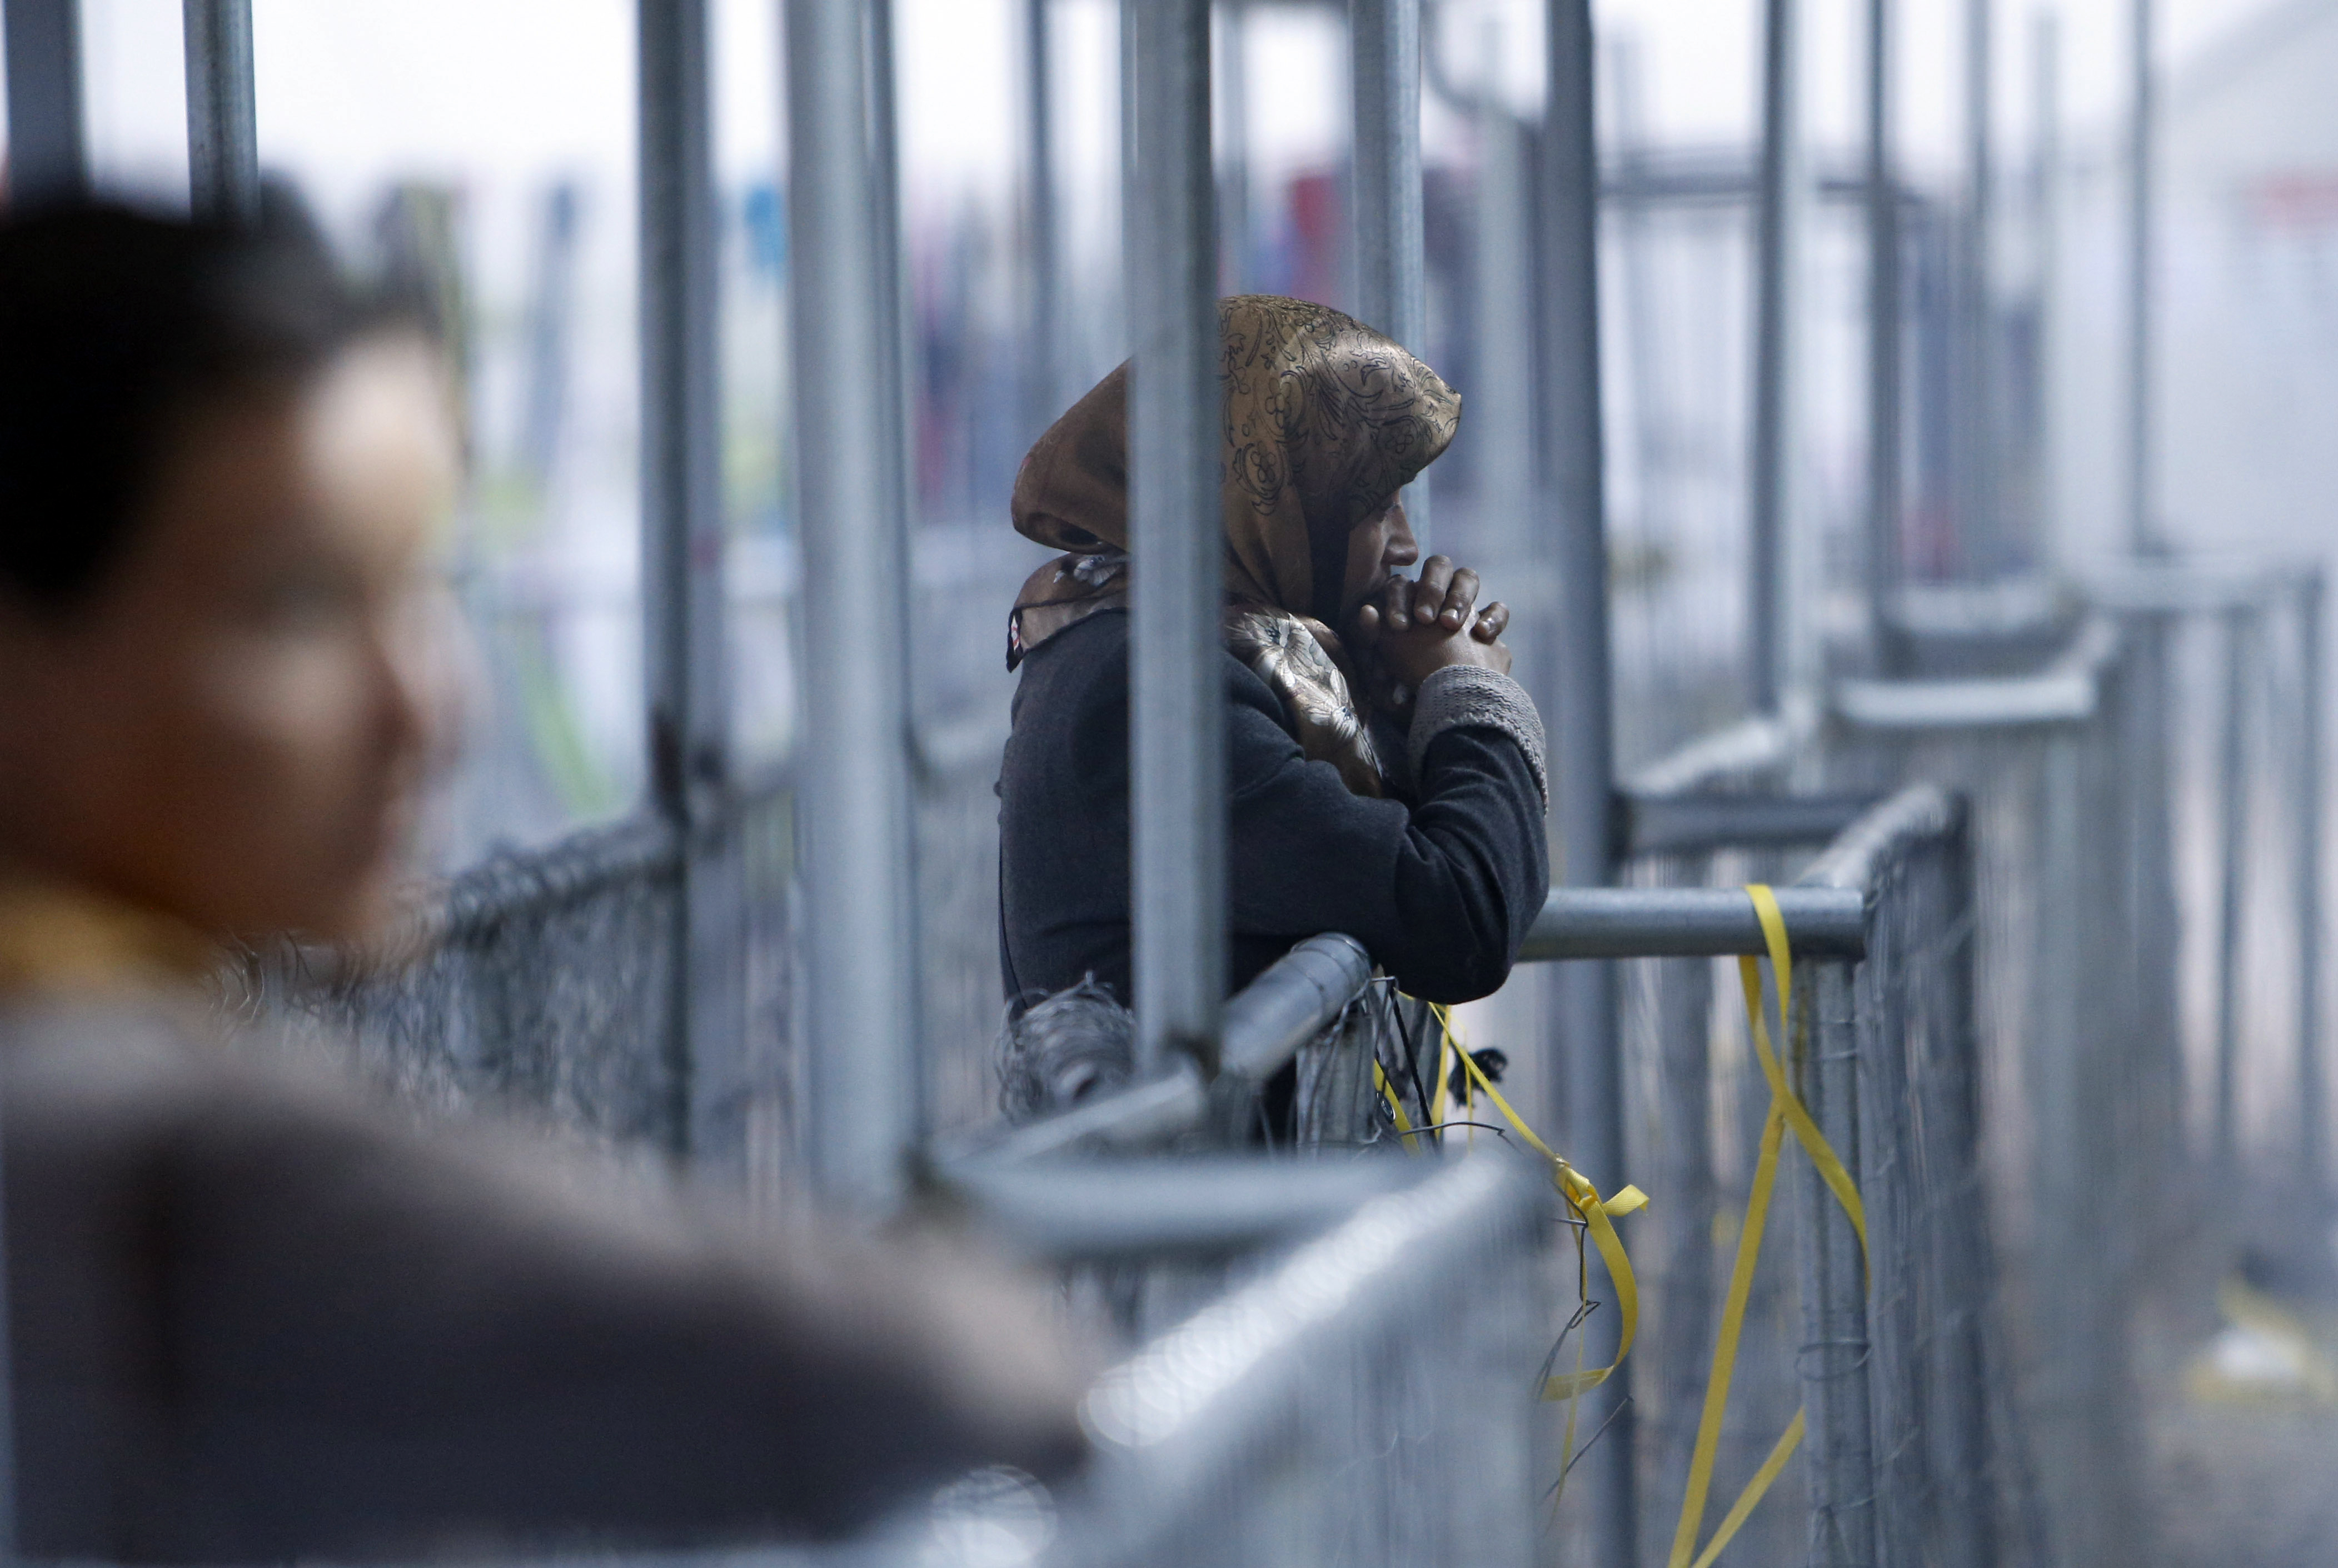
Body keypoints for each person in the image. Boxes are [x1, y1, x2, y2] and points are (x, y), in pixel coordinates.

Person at [0, 203, 1088, 1561]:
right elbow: (937, 1373)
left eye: (421, 591)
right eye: (294, 605)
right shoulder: (160, 1168)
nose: (423, 706)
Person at [998, 296, 1549, 1042]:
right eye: (1377, 506)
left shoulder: (1179, 645)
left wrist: (1391, 705)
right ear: (1267, 497)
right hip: (1182, 1157)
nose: (1406, 546)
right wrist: (1471, 692)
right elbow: (1458, 915)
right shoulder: (1149, 689)